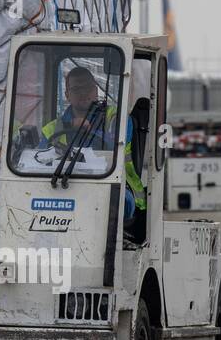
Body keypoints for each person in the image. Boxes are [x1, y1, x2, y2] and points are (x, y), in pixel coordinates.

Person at [41, 67, 147, 225]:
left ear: (96, 90)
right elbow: (37, 161)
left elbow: (113, 148)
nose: (83, 93)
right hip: (63, 186)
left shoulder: (116, 119)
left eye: (88, 87)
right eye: (77, 89)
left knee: (110, 208)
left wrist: (89, 130)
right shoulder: (52, 128)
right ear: (67, 95)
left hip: (115, 185)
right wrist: (70, 125)